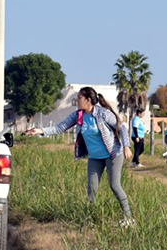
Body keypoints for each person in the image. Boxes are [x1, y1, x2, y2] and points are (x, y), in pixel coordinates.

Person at [26, 87, 132, 224]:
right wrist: (40, 130)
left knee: (114, 185)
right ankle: (90, 220)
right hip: (95, 157)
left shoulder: (102, 113)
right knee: (91, 189)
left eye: (79, 98)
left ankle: (129, 218)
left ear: (88, 100)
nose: (77, 101)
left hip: (113, 154)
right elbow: (60, 128)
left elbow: (121, 127)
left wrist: (126, 146)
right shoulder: (78, 115)